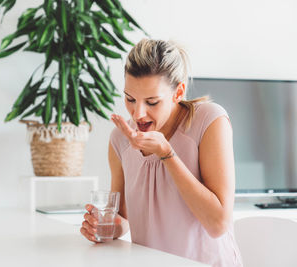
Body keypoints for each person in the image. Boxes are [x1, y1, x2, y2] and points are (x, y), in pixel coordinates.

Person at [80, 39, 244, 266]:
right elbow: (124, 219)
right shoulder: (120, 140)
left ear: (179, 92)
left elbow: (218, 224)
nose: (138, 114)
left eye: (152, 102)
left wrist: (166, 153)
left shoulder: (209, 121)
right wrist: (105, 227)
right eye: (130, 99)